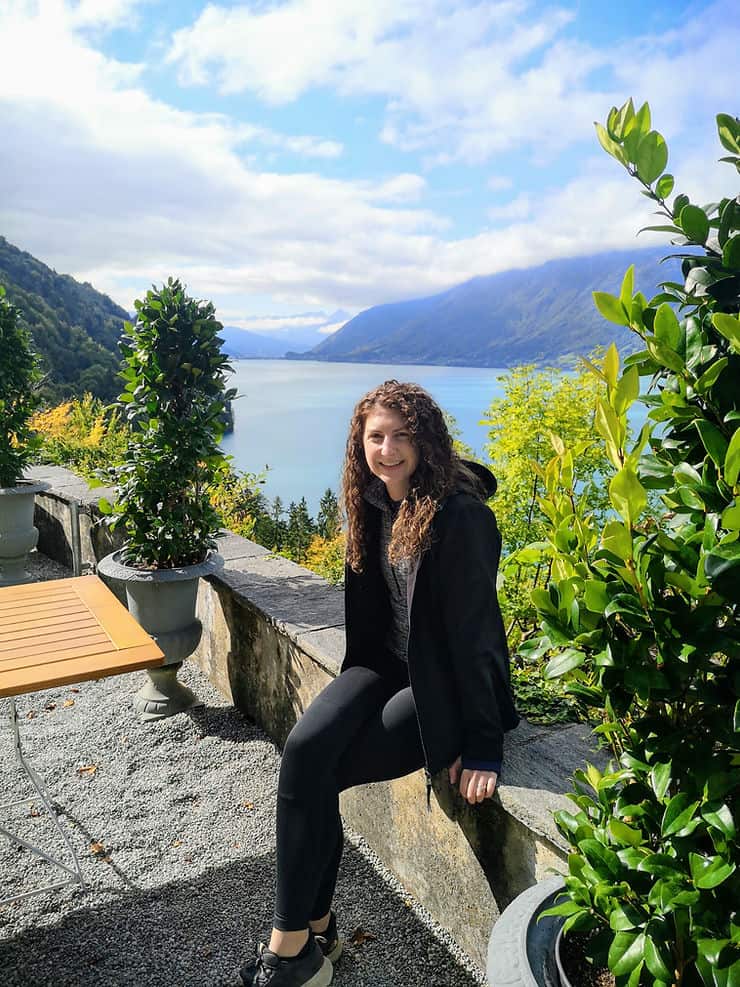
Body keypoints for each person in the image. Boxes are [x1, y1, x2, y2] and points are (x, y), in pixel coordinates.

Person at [241, 380, 519, 987]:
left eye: (401, 435)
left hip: (438, 682)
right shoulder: (370, 500)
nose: (387, 449)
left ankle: (295, 948)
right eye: (375, 436)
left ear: (426, 440)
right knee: (303, 754)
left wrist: (483, 744)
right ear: (359, 443)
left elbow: (475, 637)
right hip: (380, 663)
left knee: (322, 774)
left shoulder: (462, 517)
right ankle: (311, 932)